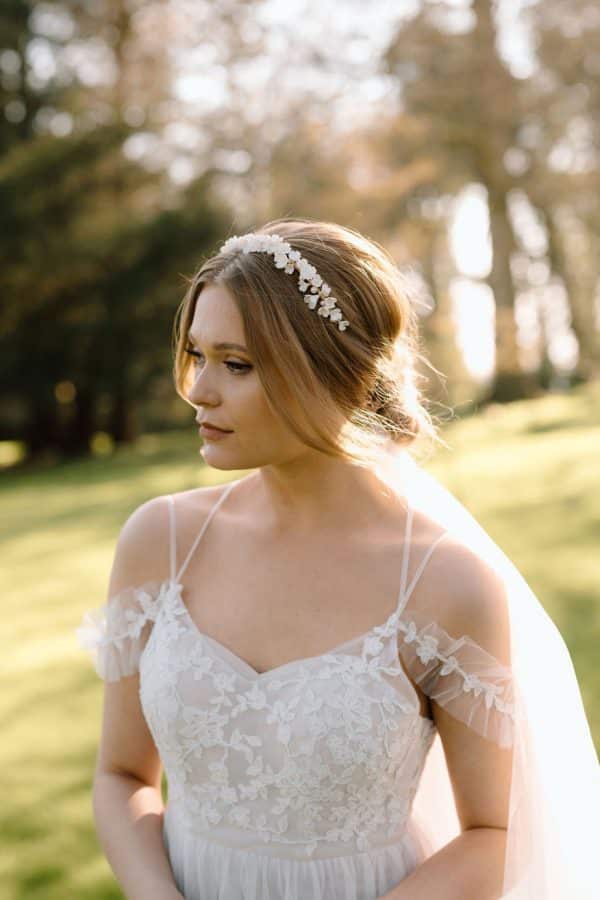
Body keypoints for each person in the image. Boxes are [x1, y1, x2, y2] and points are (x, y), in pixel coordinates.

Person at [77, 219, 599, 899]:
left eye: (237, 364)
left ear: (336, 372)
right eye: (196, 355)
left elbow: (491, 838)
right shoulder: (161, 540)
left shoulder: (446, 582)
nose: (199, 390)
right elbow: (122, 777)